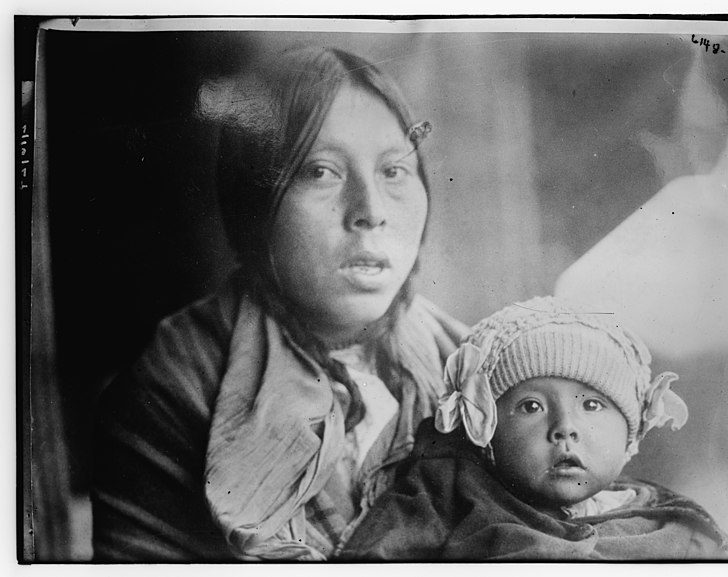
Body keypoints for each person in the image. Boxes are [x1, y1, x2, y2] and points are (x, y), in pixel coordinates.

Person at [90, 46, 467, 561]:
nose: (370, 211)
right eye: (320, 171)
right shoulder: (178, 384)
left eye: (394, 171)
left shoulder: (468, 366)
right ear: (255, 202)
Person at [338, 296, 728, 560]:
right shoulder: (451, 499)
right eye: (531, 406)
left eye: (592, 405)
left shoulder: (669, 523)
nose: (564, 429)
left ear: (632, 431)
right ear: (485, 430)